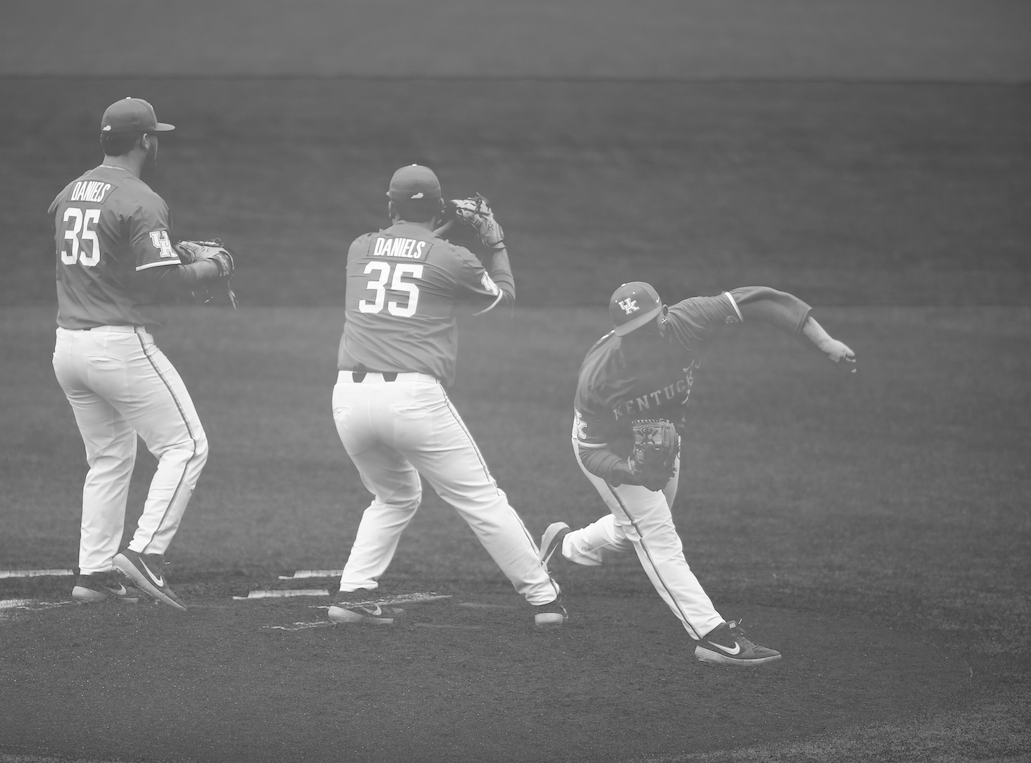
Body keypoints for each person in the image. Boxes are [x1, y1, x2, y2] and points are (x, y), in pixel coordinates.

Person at [539, 281, 857, 664]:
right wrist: (631, 472)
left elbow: (764, 301)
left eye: (648, 326)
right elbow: (591, 450)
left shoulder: (691, 319)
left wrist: (825, 343)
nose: (642, 337)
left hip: (662, 439)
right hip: (613, 449)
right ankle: (714, 636)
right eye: (632, 333)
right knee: (656, 533)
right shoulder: (601, 374)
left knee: (636, 526)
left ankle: (567, 546)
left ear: (665, 313)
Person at [328, 164, 565, 628]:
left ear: (390, 204)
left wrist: (440, 223)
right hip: (413, 401)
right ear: (437, 207)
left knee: (393, 497)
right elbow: (504, 300)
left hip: (348, 401)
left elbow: (406, 250)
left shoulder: (359, 248)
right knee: (482, 499)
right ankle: (545, 599)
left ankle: (353, 592)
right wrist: (494, 244)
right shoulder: (452, 257)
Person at [50, 97, 228, 611]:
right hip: (117, 345)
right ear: (146, 141)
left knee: (109, 458)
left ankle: (95, 572)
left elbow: (109, 260)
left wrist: (171, 251)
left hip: (68, 346)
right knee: (188, 446)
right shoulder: (141, 197)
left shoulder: (70, 192)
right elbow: (164, 283)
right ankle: (145, 554)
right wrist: (212, 267)